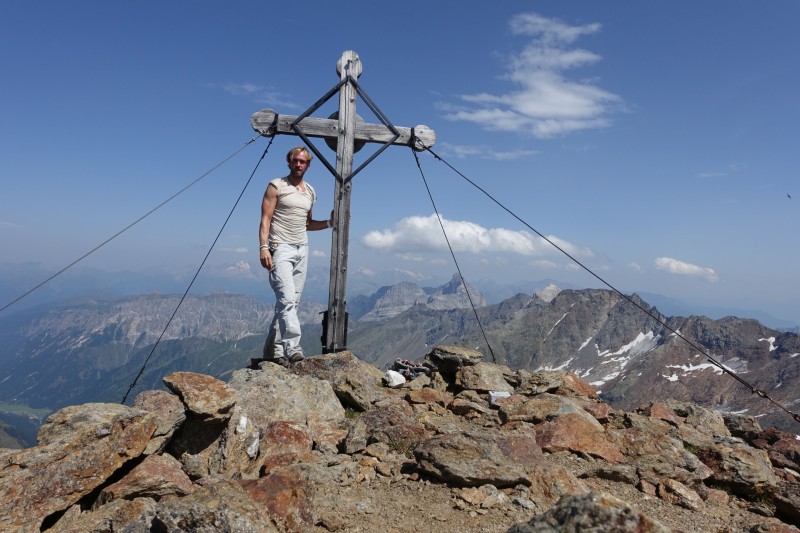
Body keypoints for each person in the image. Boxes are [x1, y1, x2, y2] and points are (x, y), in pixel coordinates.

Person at [257, 146, 333, 367]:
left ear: (308, 165)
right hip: (280, 248)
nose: (298, 164)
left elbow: (307, 224)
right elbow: (265, 219)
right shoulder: (276, 186)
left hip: (302, 249)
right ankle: (294, 350)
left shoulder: (310, 191)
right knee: (288, 300)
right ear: (288, 162)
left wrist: (330, 223)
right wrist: (263, 247)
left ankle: (273, 351)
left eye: (303, 161)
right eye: (295, 160)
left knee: (290, 303)